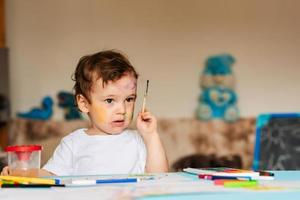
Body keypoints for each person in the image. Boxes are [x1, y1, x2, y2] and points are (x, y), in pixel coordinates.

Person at [1, 50, 168, 176]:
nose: (122, 110)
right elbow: (51, 176)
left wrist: (151, 135)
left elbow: (161, 177)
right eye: (110, 101)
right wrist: (23, 174)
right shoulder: (74, 143)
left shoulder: (137, 140)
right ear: (83, 103)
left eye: (129, 99)